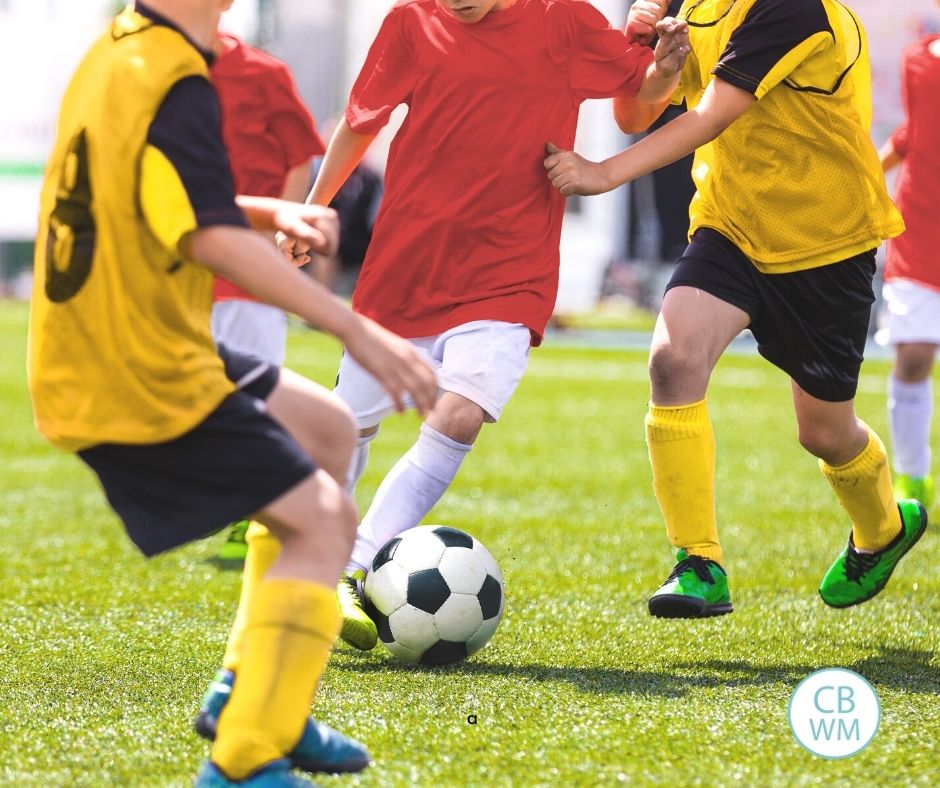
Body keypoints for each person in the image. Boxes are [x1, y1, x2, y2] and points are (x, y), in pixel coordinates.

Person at [27, 3, 437, 786]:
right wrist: (358, 331)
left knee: (324, 428)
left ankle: (246, 691)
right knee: (326, 521)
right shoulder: (175, 79)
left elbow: (158, 192)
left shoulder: (124, 50)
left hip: (118, 343)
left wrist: (262, 207)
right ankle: (247, 758)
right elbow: (209, 242)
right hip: (135, 369)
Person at [279, 0, 690, 649]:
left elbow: (635, 103)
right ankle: (312, 564)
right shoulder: (412, 22)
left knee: (461, 413)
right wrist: (312, 208)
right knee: (343, 430)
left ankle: (353, 566)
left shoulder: (563, 21)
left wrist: (664, 71)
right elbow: (360, 124)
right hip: (405, 268)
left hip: (509, 273)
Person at [544, 0, 928, 618]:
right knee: (672, 361)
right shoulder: (691, 5)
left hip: (825, 242)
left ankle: (884, 528)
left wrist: (603, 175)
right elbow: (635, 112)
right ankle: (699, 562)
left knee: (825, 433)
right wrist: (653, 61)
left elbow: (713, 114)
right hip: (730, 226)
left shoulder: (794, 8)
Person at [209, 10, 327, 564]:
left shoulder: (262, 73)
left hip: (247, 271)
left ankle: (257, 512)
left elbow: (299, 156)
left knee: (257, 396)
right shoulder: (151, 72)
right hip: (177, 271)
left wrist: (283, 225)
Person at [876, 17, 940, 512]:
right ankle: (912, 477)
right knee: (914, 354)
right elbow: (916, 132)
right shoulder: (916, 58)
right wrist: (867, 172)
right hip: (919, 227)